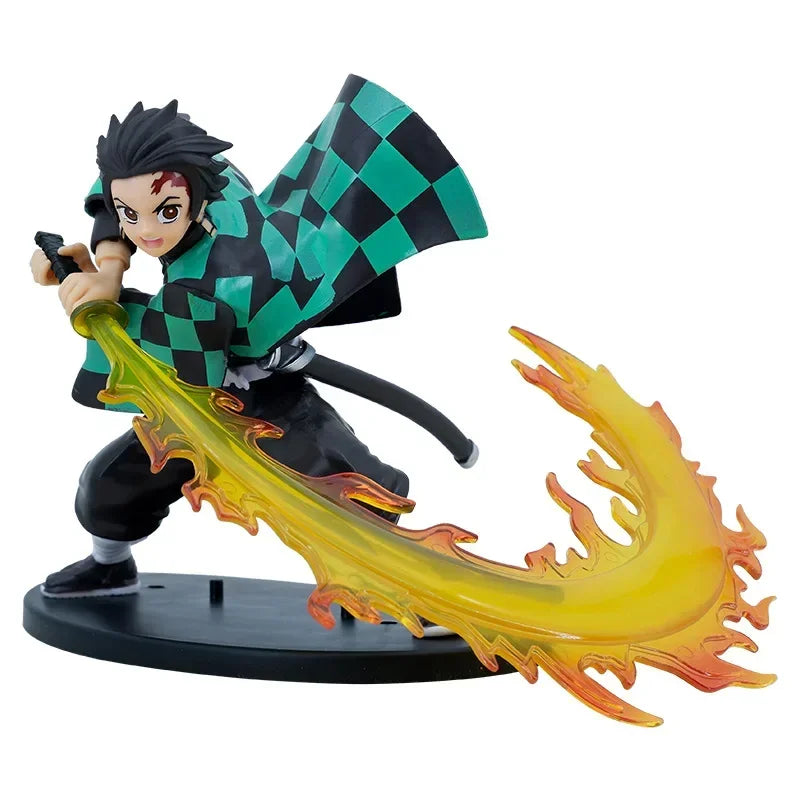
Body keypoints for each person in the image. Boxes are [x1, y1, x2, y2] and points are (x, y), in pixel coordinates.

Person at [30, 74, 487, 606]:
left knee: (346, 487)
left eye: (166, 212)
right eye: (132, 215)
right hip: (194, 401)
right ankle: (110, 568)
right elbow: (116, 193)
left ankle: (425, 585)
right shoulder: (205, 177)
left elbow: (162, 351)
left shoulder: (219, 276)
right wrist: (108, 267)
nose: (147, 231)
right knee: (108, 487)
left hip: (256, 390)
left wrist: (91, 300)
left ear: (197, 195)